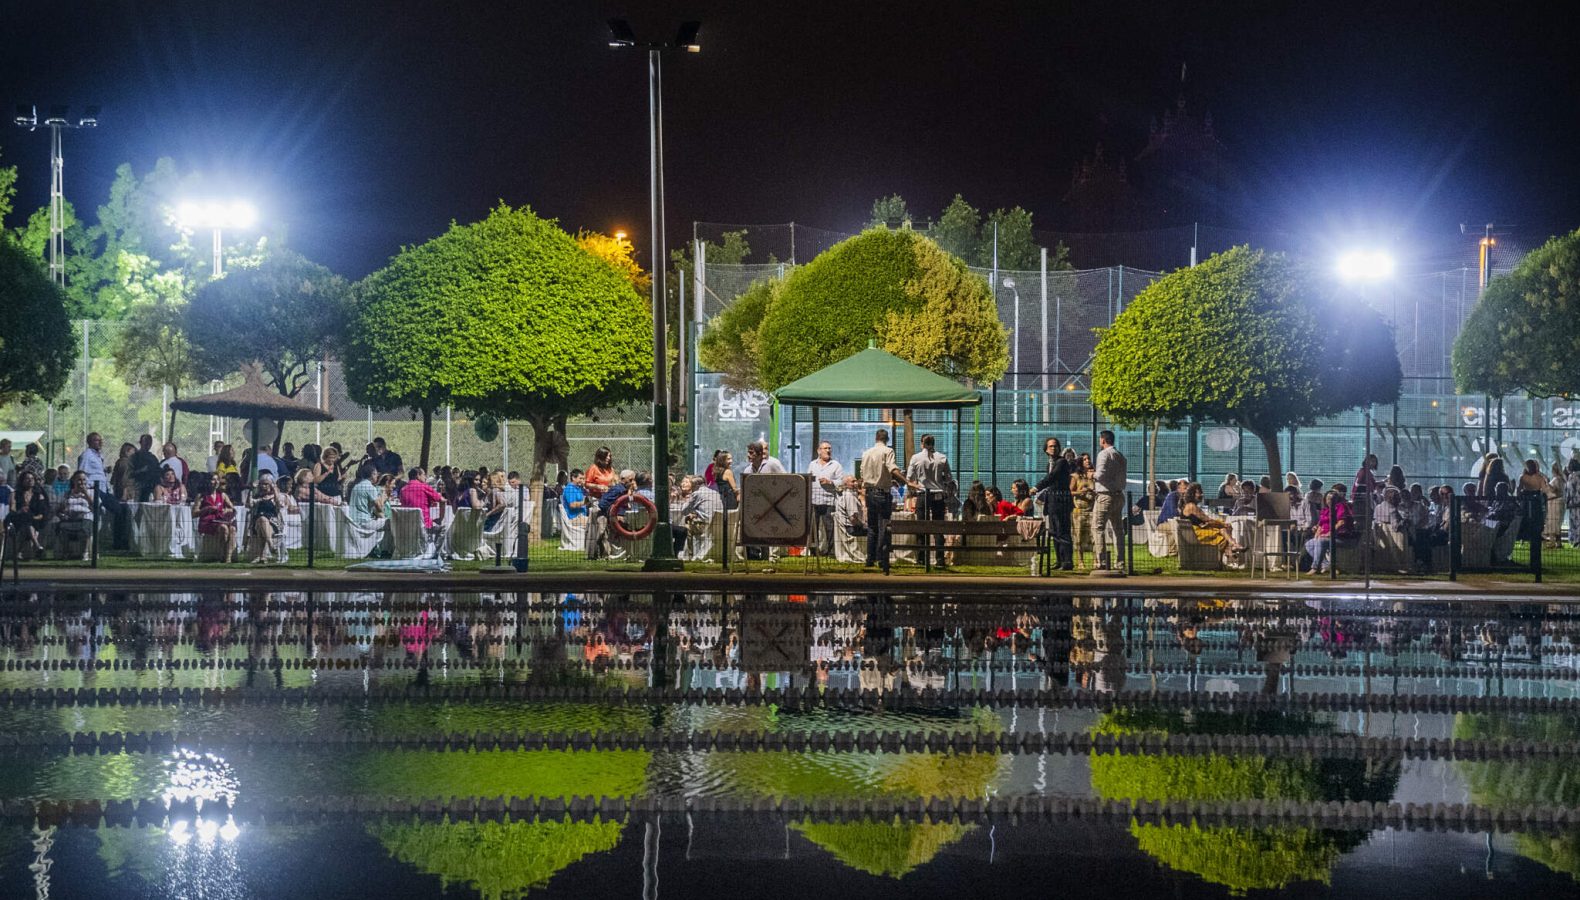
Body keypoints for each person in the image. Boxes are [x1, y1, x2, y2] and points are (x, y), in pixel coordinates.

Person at [858, 428, 905, 567]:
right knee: (884, 526)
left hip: (870, 493)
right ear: (887, 439)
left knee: (872, 527)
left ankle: (869, 559)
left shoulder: (866, 453)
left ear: (875, 438)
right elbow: (891, 468)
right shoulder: (888, 451)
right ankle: (881, 558)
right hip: (883, 493)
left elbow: (863, 473)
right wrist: (906, 481)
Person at [905, 434, 953, 567]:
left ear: (922, 444)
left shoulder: (916, 458)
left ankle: (921, 558)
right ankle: (940, 560)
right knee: (938, 527)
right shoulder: (942, 458)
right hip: (938, 495)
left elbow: (909, 478)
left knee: (922, 526)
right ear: (934, 443)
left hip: (922, 494)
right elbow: (949, 478)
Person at [1180, 482, 1246, 566]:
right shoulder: (1192, 506)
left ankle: (1231, 549)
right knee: (1224, 532)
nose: (1201, 494)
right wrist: (1223, 524)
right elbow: (1208, 520)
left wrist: (1221, 525)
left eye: (1201, 492)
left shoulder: (1189, 505)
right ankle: (1230, 550)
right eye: (1198, 492)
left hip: (1194, 532)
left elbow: (1205, 522)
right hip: (1195, 534)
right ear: (1191, 494)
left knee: (1223, 530)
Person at [1034, 437, 1074, 570]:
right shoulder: (1050, 463)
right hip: (1052, 502)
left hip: (1061, 501)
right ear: (1046, 449)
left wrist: (1036, 487)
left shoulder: (1061, 462)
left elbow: (1052, 477)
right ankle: (1059, 560)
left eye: (1056, 446)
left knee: (1063, 531)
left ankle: (1067, 562)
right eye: (1051, 446)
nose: (1054, 448)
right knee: (1054, 532)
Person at [1091, 430, 1128, 571]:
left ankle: (1101, 561)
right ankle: (1120, 562)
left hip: (1105, 495)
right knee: (1118, 530)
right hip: (1119, 495)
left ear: (1102, 440)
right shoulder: (1120, 456)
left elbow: (1100, 475)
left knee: (1098, 527)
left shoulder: (1103, 454)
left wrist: (1091, 475)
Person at [807, 442, 844, 557]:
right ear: (819, 451)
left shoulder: (836, 465)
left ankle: (831, 552)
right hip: (814, 500)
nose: (828, 450)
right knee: (813, 527)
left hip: (829, 501)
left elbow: (841, 482)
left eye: (829, 448)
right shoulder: (812, 464)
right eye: (825, 448)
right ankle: (814, 552)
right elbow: (809, 479)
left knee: (830, 528)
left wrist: (830, 482)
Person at [1304, 488, 1351, 575]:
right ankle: (1327, 565)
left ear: (1336, 499)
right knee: (1309, 544)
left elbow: (1341, 522)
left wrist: (1329, 533)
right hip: (1325, 536)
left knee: (1321, 541)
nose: (1329, 500)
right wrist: (1317, 534)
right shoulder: (1325, 510)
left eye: (1332, 498)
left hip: (1339, 537)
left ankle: (1315, 568)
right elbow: (1320, 525)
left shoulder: (1341, 506)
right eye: (1328, 498)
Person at [4, 470, 50, 556]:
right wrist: (20, 511)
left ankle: (18, 552)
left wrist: (32, 518)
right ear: (22, 481)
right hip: (17, 518)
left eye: (32, 478)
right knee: (26, 518)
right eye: (27, 479)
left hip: (35, 519)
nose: (30, 480)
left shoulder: (39, 495)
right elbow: (12, 510)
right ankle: (37, 545)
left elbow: (41, 514)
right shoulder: (14, 494)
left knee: (27, 522)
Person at [54, 472, 96, 560]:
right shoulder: (67, 494)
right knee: (61, 529)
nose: (82, 482)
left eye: (84, 480)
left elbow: (96, 507)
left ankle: (84, 553)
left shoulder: (91, 492)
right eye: (79, 480)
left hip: (85, 517)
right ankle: (65, 553)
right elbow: (58, 510)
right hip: (70, 518)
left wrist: (86, 494)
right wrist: (62, 513)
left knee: (84, 530)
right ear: (74, 481)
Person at [194, 479, 237, 563]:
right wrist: (207, 509)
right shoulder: (201, 496)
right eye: (213, 479)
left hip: (220, 519)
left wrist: (227, 510)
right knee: (224, 528)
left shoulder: (223, 495)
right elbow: (194, 513)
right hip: (208, 521)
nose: (216, 482)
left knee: (232, 529)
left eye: (217, 480)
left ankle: (228, 557)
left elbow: (233, 508)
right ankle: (221, 555)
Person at [246, 474, 286, 564]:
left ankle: (262, 556)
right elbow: (249, 505)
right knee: (262, 520)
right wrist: (251, 490)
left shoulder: (277, 496)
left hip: (273, 524)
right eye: (262, 484)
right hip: (257, 523)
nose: (264, 486)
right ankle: (271, 545)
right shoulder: (258, 497)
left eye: (266, 484)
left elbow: (279, 504)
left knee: (262, 526)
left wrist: (275, 490)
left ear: (271, 485)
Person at [1069, 455, 1095, 569]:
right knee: (1078, 536)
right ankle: (1080, 561)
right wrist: (1080, 492)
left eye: (1088, 458)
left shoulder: (1093, 476)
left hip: (1092, 509)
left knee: (1094, 536)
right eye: (1084, 459)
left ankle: (1096, 560)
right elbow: (1070, 492)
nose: (1088, 461)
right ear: (1080, 462)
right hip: (1079, 510)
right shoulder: (1075, 476)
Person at [347, 462, 385, 526]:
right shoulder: (371, 487)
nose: (377, 477)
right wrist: (383, 497)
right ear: (372, 475)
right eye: (376, 474)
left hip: (352, 520)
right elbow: (379, 508)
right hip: (364, 521)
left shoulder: (356, 486)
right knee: (387, 524)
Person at [129, 434, 162, 502]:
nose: (147, 444)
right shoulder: (135, 457)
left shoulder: (152, 458)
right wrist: (141, 470)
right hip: (138, 486)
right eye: (145, 442)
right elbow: (129, 473)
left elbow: (157, 471)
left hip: (151, 487)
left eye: (149, 442)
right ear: (140, 442)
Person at [1564, 459, 1580, 549]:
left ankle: (1576, 541)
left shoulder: (1572, 476)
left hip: (1574, 503)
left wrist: (1567, 501)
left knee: (1575, 522)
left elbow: (1570, 491)